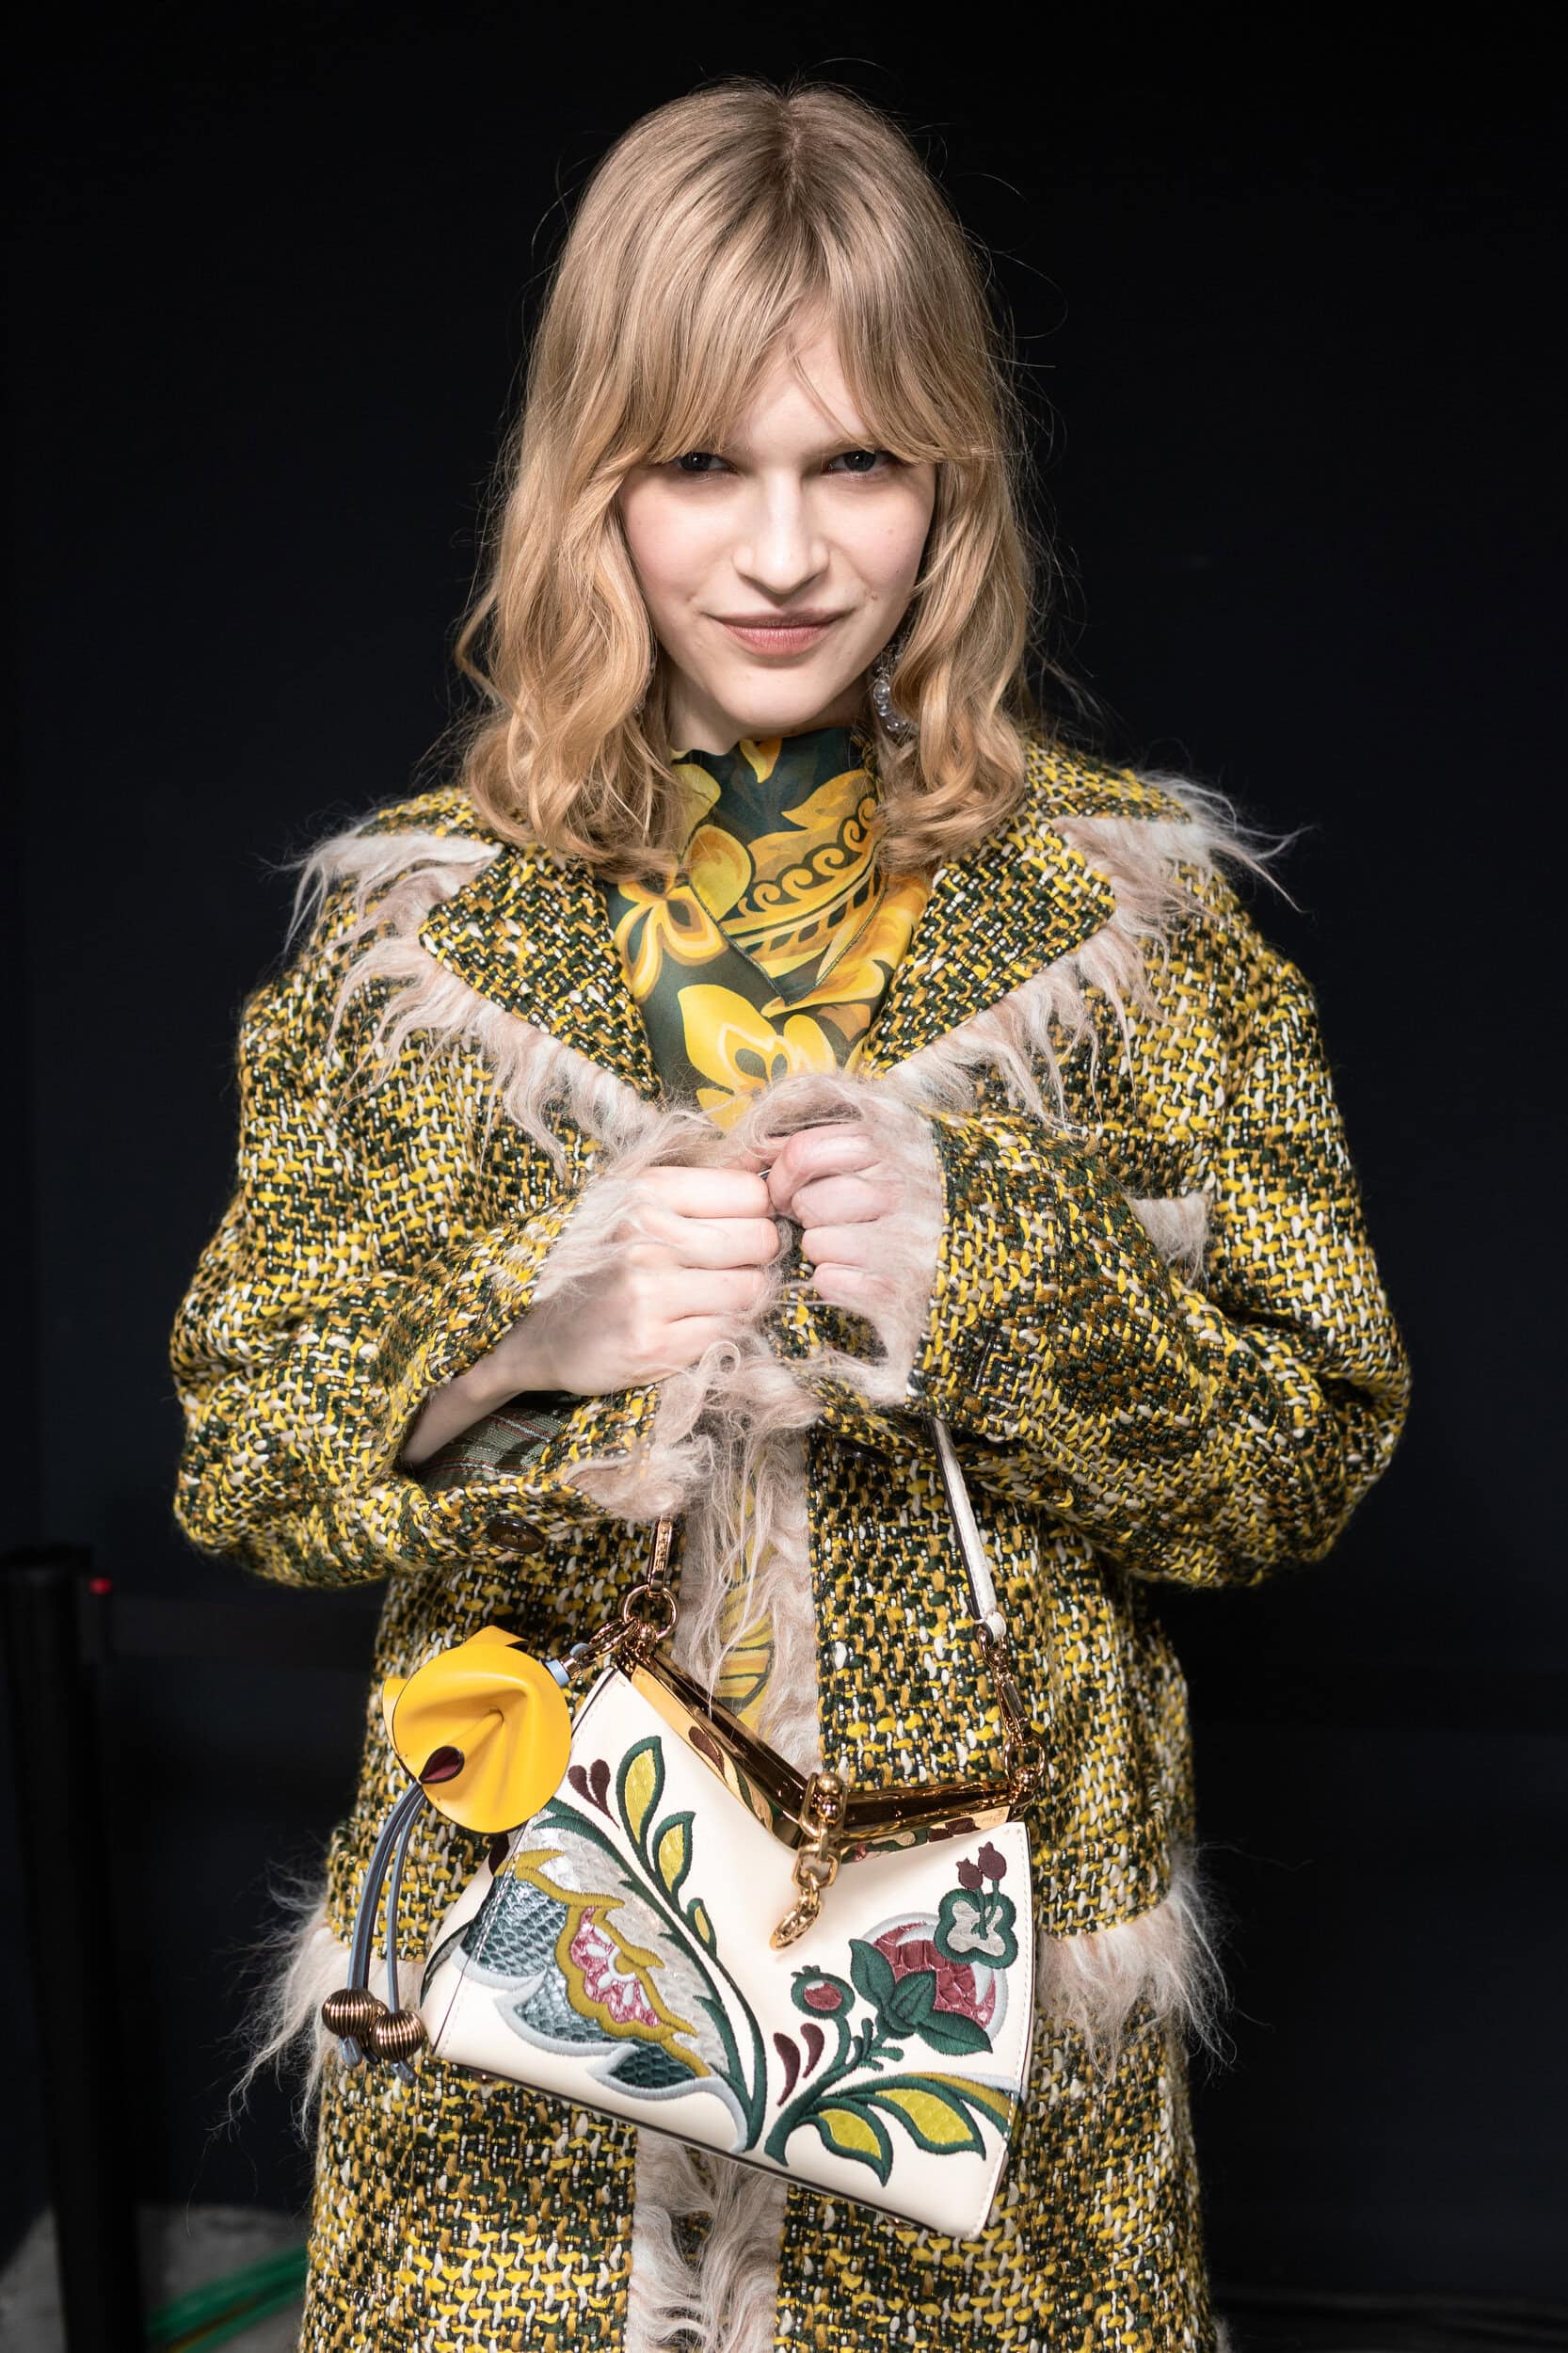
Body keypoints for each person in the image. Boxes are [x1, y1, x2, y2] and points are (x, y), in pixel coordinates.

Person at [168, 74, 1410, 2353]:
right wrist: (538, 1332)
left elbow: (1301, 1464)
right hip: (513, 2032)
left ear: (952, 480)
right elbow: (243, 1448)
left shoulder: (1132, 926)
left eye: (854, 463)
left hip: (975, 2054)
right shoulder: (416, 937)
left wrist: (995, 1269)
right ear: (589, 480)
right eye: (696, 466)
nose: (779, 553)